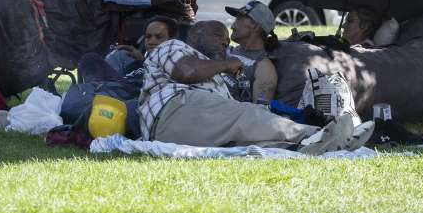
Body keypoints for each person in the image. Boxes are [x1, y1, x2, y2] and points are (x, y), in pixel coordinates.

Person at [138, 22, 373, 153]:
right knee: (248, 115)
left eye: (226, 39)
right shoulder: (171, 46)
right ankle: (314, 134)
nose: (225, 41)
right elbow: (187, 72)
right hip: (175, 110)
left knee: (252, 143)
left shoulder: (249, 64)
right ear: (196, 34)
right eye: (218, 34)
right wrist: (228, 64)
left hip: (181, 128)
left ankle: (317, 146)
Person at [77, 16, 178, 84]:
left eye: (158, 37)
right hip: (119, 87)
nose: (151, 41)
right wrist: (141, 59)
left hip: (136, 94)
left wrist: (142, 60)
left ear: (171, 39)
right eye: (148, 36)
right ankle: (93, 91)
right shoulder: (139, 61)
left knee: (91, 58)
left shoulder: (176, 60)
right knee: (91, 59)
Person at [225, 1, 280, 103]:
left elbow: (259, 113)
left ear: (256, 27)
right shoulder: (227, 49)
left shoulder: (263, 67)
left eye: (239, 19)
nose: (232, 25)